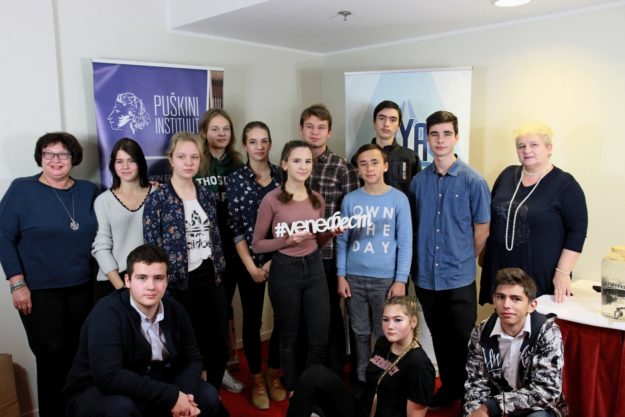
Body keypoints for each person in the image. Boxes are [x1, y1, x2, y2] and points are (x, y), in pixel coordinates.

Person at [0, 132, 98, 417]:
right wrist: (17, 284)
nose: (56, 160)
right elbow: (3, 238)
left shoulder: (88, 191)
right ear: (40, 158)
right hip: (40, 293)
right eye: (48, 154)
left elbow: (118, 205)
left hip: (84, 288)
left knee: (81, 357)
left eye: (63, 154)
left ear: (73, 158)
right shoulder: (22, 190)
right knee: (51, 360)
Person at [64, 244, 220, 417]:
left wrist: (184, 396)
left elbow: (193, 358)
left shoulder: (175, 309)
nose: (151, 286)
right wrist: (171, 396)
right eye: (142, 278)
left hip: (151, 381)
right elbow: (108, 376)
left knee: (208, 396)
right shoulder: (107, 313)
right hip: (98, 389)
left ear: (166, 281)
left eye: (158, 278)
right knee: (121, 409)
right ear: (127, 281)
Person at [409, 110, 491, 407]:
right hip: (426, 278)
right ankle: (450, 388)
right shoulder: (418, 182)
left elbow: (482, 230)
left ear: (456, 137)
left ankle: (471, 397)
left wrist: (463, 257)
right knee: (440, 338)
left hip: (458, 278)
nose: (440, 140)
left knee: (464, 341)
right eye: (434, 134)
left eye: (446, 134)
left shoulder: (473, 180)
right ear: (427, 139)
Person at [143, 132, 229, 396]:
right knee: (189, 346)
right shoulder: (158, 199)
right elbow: (151, 246)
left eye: (194, 157)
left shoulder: (205, 195)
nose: (188, 162)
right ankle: (192, 397)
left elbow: (215, 236)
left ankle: (212, 393)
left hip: (211, 277)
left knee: (219, 343)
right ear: (171, 159)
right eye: (182, 156)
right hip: (179, 283)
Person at [252, 140, 338, 394]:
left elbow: (317, 242)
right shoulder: (271, 200)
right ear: (284, 164)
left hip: (314, 268)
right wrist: (285, 241)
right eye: (297, 160)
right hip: (284, 270)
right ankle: (292, 387)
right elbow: (257, 244)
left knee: (320, 335)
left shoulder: (317, 199)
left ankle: (312, 387)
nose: (303, 166)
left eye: (308, 161)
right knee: (288, 335)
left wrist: (330, 233)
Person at [479, 122, 588, 305]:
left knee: (536, 320)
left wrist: (563, 272)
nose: (527, 150)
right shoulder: (507, 174)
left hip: (538, 275)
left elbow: (577, 231)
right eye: (521, 146)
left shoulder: (565, 184)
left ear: (549, 148)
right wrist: (483, 254)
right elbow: (490, 217)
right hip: (501, 269)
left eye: (534, 145)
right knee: (504, 319)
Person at [336, 143, 412, 383]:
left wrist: (400, 280)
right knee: (359, 332)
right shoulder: (350, 200)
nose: (369, 168)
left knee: (384, 333)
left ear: (385, 166)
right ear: (358, 170)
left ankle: (381, 377)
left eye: (375, 162)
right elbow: (342, 241)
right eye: (363, 164)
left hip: (385, 280)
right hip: (354, 279)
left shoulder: (398, 199)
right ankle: (362, 377)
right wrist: (341, 275)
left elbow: (405, 243)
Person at [286, 296, 435, 417]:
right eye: (385, 319)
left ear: (413, 322)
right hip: (362, 409)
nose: (390, 326)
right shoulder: (383, 343)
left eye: (397, 320)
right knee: (314, 374)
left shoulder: (420, 365)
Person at [226, 121, 286, 409]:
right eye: (253, 141)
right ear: (245, 145)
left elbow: (291, 221)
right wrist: (251, 266)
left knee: (283, 318)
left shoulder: (282, 176)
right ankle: (258, 379)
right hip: (247, 261)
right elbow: (235, 227)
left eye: (264, 141)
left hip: (281, 259)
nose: (259, 146)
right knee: (252, 322)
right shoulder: (236, 180)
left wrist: (273, 260)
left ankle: (274, 373)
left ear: (270, 144)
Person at [300, 103, 359, 377]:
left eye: (321, 127)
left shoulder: (342, 168)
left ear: (329, 132)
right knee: (302, 313)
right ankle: (307, 368)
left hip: (328, 255)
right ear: (301, 129)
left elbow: (350, 217)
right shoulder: (291, 163)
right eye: (310, 126)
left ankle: (334, 369)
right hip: (296, 253)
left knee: (331, 313)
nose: (315, 132)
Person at [464, 268, 567, 417]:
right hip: (493, 405)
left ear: (532, 305)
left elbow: (546, 391)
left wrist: (492, 407)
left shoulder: (547, 333)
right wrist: (475, 412)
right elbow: (476, 384)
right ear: (494, 300)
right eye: (501, 297)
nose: (506, 305)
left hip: (535, 407)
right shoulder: (481, 332)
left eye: (516, 299)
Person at [195, 108, 246, 393]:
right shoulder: (196, 162)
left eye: (226, 128)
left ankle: (221, 367)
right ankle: (203, 370)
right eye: (215, 128)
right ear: (204, 132)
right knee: (207, 313)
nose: (221, 133)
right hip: (204, 250)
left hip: (234, 246)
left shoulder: (237, 164)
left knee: (224, 311)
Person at [92, 138, 152, 299]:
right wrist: (123, 289)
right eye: (119, 161)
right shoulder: (103, 201)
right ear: (113, 165)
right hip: (115, 280)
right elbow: (101, 247)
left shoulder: (157, 194)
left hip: (150, 277)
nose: (125, 167)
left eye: (131, 161)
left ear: (140, 163)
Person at [352, 100, 421, 195]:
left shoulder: (411, 157)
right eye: (381, 118)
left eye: (393, 120)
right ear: (374, 122)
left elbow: (417, 194)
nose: (386, 124)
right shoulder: (359, 157)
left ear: (399, 126)